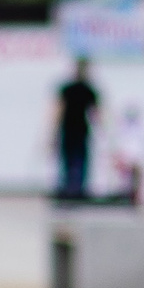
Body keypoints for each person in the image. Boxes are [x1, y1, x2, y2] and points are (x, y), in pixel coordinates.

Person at [57, 57, 100, 200]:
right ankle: (76, 189)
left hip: (72, 129)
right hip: (77, 129)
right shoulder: (87, 89)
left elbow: (58, 111)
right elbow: (96, 113)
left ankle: (70, 188)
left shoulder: (70, 89)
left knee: (70, 158)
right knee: (77, 159)